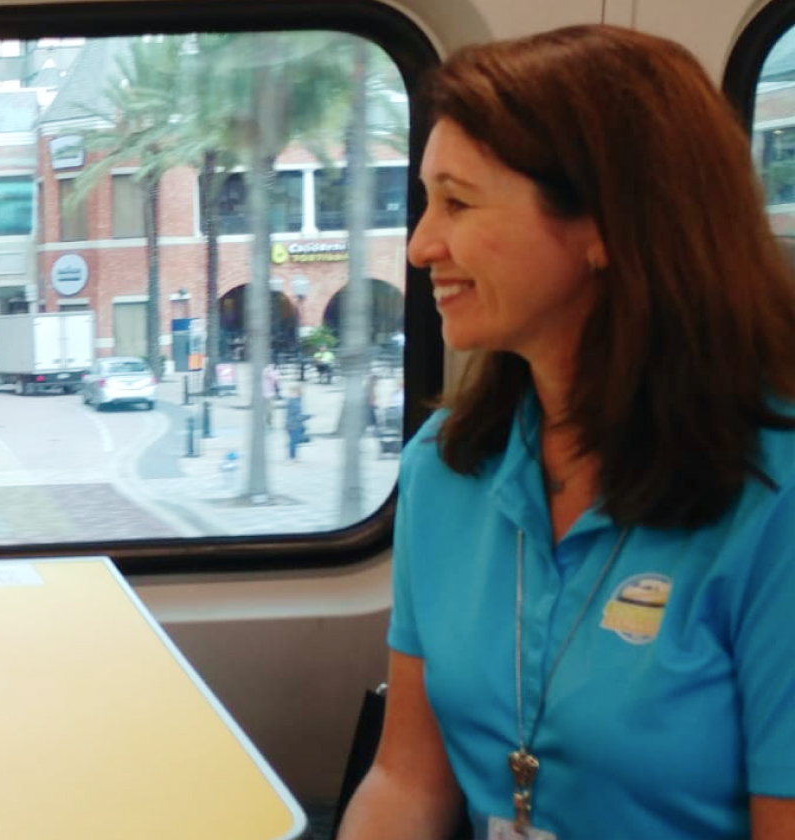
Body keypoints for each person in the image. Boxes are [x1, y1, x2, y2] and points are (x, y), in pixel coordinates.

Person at [339, 25, 795, 840]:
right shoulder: (447, 475)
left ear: (603, 226)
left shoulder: (774, 498)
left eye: (459, 202)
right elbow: (408, 783)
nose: (419, 246)